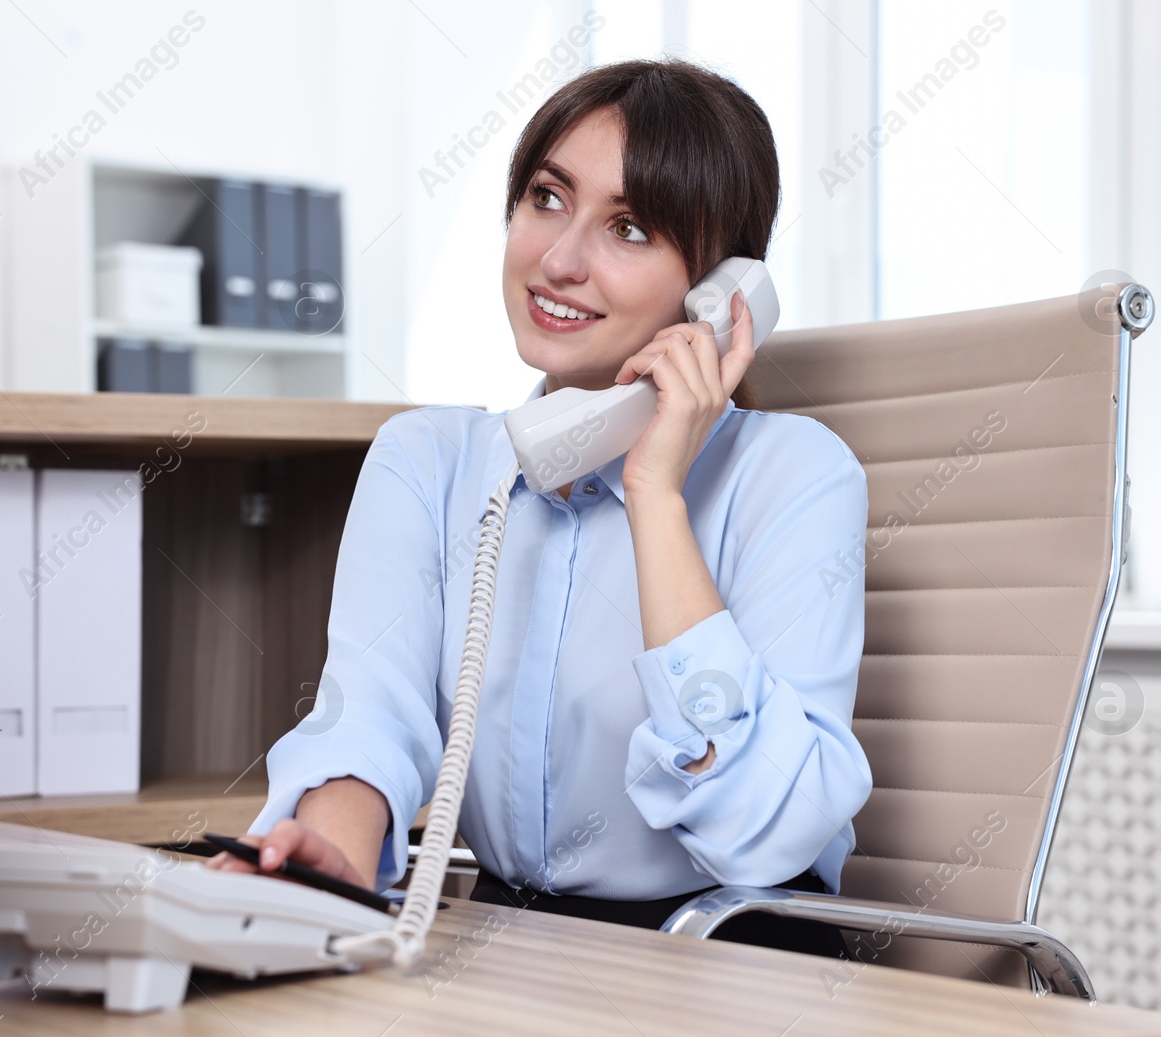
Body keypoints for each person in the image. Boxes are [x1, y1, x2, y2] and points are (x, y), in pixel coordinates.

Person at [207, 58, 871, 959]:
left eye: (630, 228)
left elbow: (766, 834)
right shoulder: (431, 461)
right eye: (547, 198)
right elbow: (371, 714)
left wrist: (654, 496)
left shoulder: (796, 475)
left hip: (733, 962)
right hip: (509, 944)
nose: (559, 259)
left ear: (721, 292)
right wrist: (330, 861)